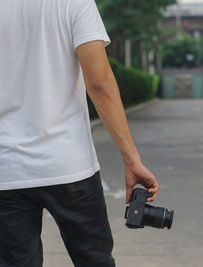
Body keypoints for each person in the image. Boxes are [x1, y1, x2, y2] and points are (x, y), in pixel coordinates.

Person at [0, 0, 159, 266]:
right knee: (94, 260)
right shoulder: (75, 2)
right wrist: (132, 160)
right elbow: (99, 84)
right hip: (70, 165)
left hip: (7, 169)